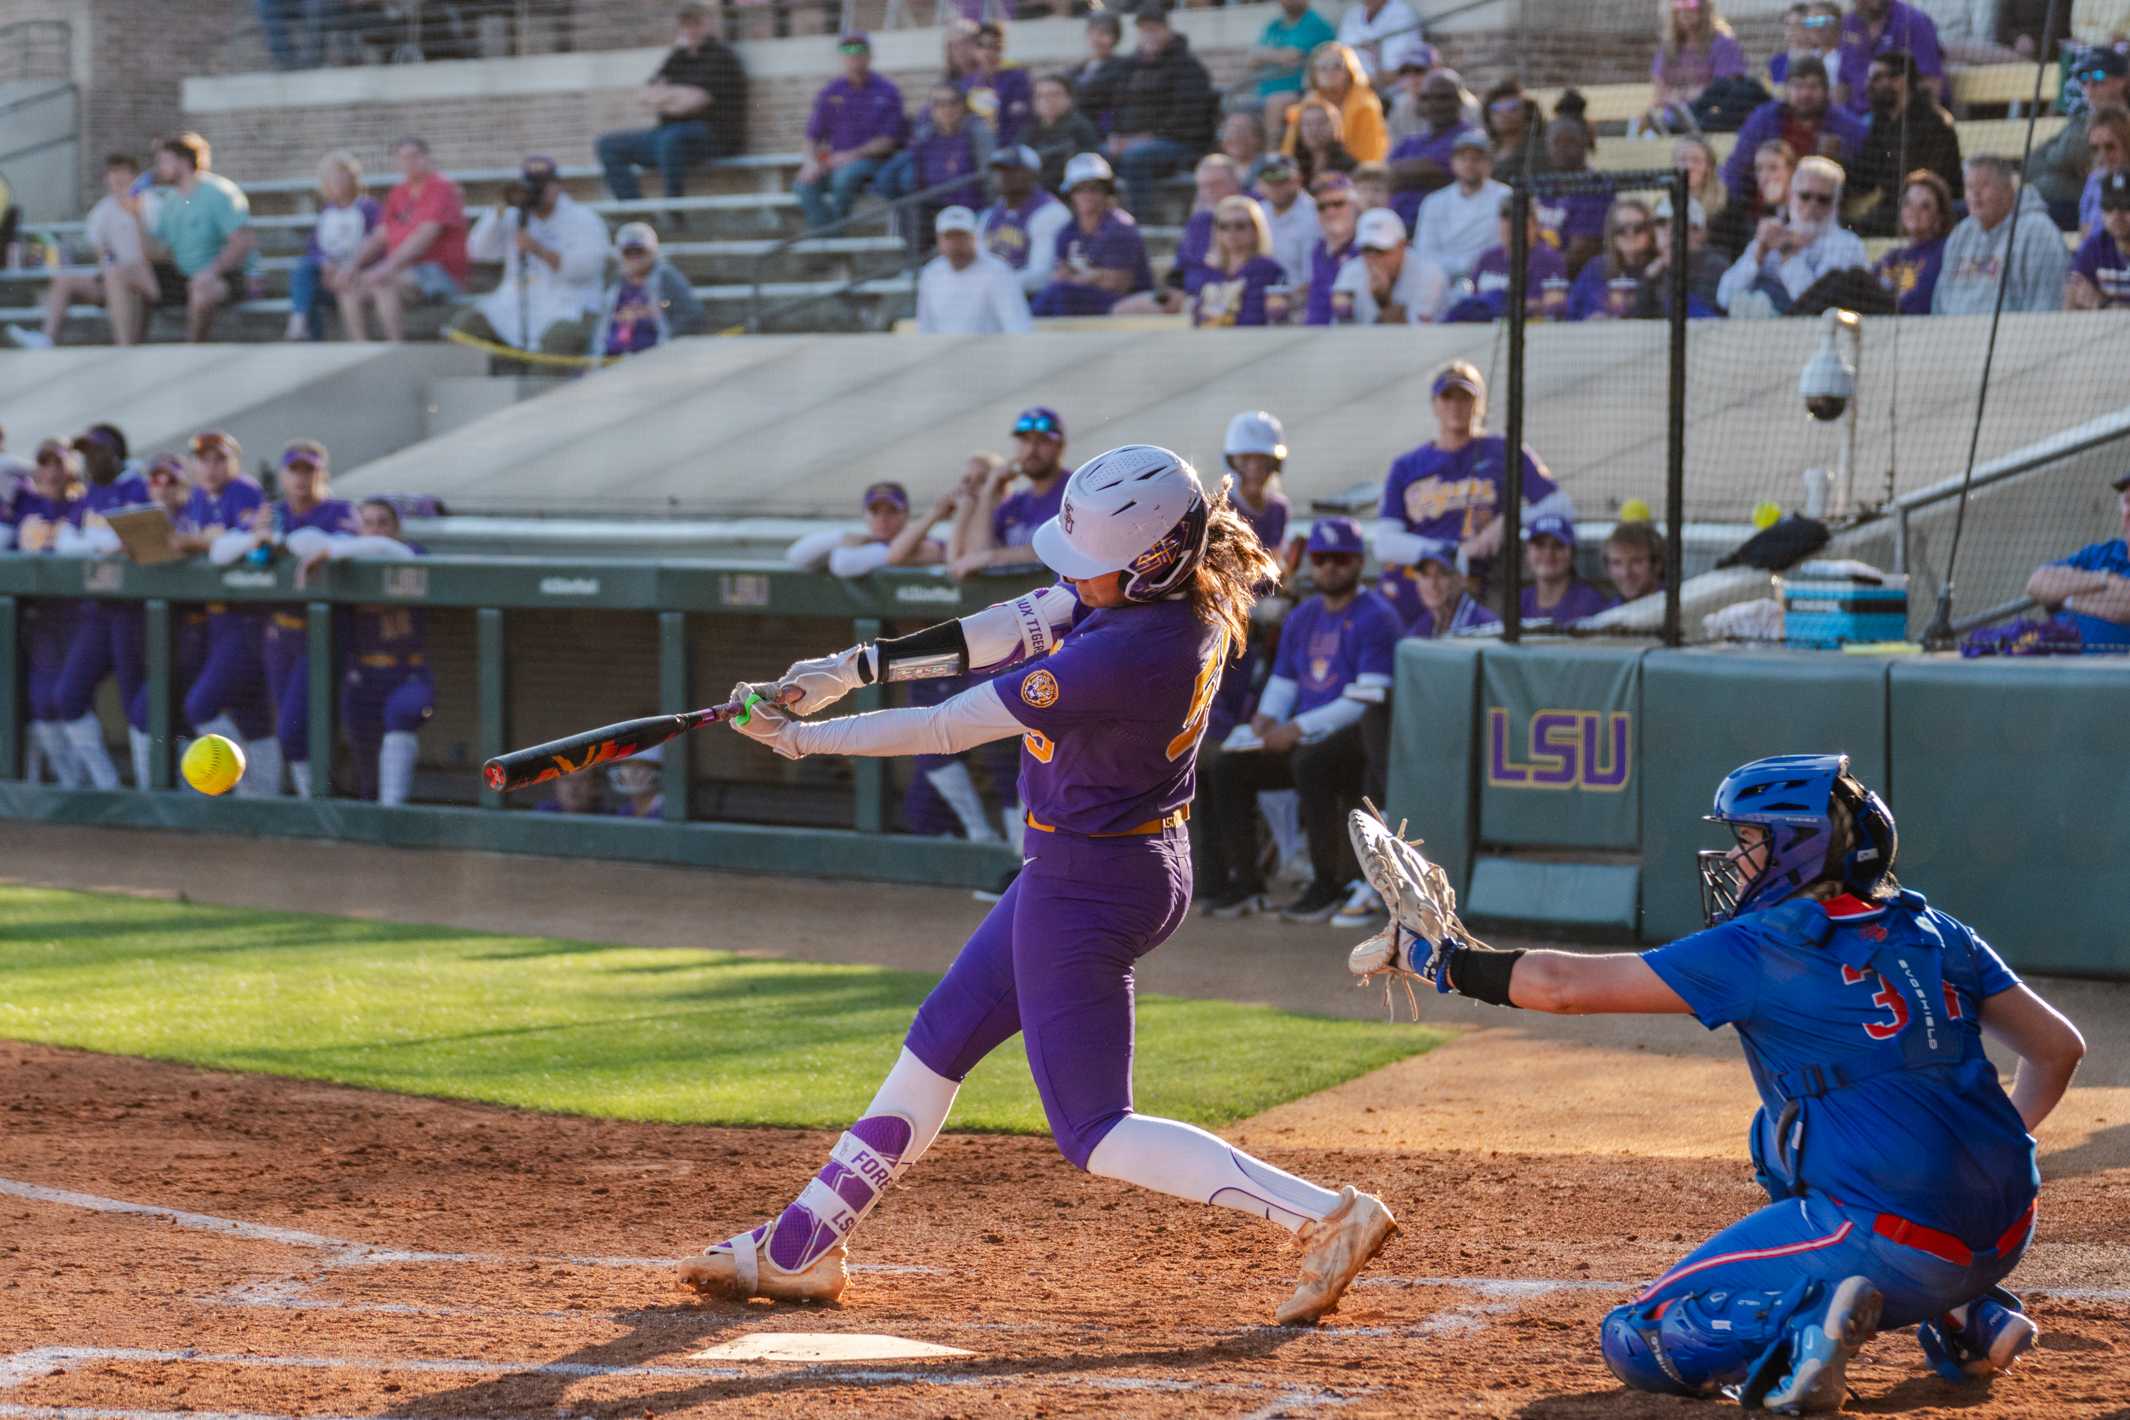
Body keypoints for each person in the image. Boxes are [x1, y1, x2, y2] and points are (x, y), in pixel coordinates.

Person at [687, 446, 1399, 1324]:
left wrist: (804, 740)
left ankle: (1327, 1214)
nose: (1074, 580)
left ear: (1150, 561)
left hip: (1091, 882)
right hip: (1104, 864)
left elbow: (948, 726)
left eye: (1092, 568)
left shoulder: (1129, 652)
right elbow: (1018, 617)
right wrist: (851, 666)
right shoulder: (1169, 591)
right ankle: (803, 1244)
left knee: (1096, 1131)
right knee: (940, 1037)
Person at [1346, 753, 2082, 1411]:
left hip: (1890, 1240)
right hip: (2010, 1222)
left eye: (1752, 842)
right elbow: (2059, 1050)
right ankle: (1972, 1313)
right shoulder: (1936, 928)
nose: (1739, 860)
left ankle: (1803, 1335)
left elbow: (1562, 986)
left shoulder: (1763, 945)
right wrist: (1979, 1158)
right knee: (1777, 1140)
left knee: (1635, 1339)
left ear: (1799, 847)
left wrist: (1435, 961)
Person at [1200, 516, 1398, 922]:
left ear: (1359, 563)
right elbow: (1284, 681)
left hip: (1358, 737)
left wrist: (1297, 728)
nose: (1329, 567)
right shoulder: (1303, 616)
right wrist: (1266, 719)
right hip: (1304, 733)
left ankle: (1327, 884)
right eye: (1321, 558)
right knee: (1227, 765)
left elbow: (1368, 699)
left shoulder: (1377, 616)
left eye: (1340, 558)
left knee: (1311, 763)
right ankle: (1244, 884)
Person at [210, 439, 361, 799]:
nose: (301, 479)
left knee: (297, 731)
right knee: (290, 728)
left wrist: (281, 538)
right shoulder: (271, 512)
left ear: (321, 474)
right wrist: (256, 537)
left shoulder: (339, 510)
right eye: (294, 470)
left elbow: (322, 545)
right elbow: (219, 553)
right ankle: (311, 801)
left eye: (309, 470)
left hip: (325, 633)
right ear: (283, 474)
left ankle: (318, 803)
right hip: (279, 633)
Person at [1372, 361, 1571, 622]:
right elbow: (1385, 543)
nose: (1456, 406)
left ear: (1480, 404)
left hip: (1480, 585)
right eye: (1447, 397)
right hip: (1420, 585)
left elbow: (1561, 505)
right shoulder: (1408, 465)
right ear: (1434, 405)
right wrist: (1452, 553)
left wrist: (1508, 521)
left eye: (1465, 397)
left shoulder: (1503, 451)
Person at [306, 497, 434, 806]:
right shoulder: (348, 563)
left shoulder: (412, 553)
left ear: (397, 528)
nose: (376, 530)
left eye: (383, 522)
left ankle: (393, 811)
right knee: (366, 767)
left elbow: (396, 554)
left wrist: (331, 551)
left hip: (408, 672)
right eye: (368, 522)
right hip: (363, 674)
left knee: (401, 713)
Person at [49, 426, 150, 789]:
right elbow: (65, 540)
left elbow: (131, 542)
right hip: (97, 611)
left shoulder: (137, 485)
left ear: (116, 453)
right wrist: (95, 542)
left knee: (134, 703)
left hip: (131, 612)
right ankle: (106, 785)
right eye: (86, 452)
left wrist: (94, 542)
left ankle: (150, 791)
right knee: (67, 696)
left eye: (98, 451)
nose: (90, 459)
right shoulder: (90, 492)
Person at [175, 431, 276, 797]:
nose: (212, 467)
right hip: (217, 619)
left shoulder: (246, 492)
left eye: (220, 459)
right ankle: (263, 798)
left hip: (248, 616)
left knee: (201, 704)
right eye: (204, 459)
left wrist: (201, 542)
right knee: (251, 715)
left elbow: (248, 550)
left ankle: (240, 784)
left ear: (234, 460)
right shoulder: (198, 497)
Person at [449, 156, 611, 366]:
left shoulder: (583, 218)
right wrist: (499, 209)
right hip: (514, 304)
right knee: (465, 327)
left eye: (543, 185)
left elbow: (586, 268)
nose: (538, 191)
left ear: (558, 187)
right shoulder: (513, 215)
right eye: (532, 185)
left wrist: (538, 249)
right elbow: (478, 251)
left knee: (555, 343)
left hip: (568, 306)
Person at [596, 3, 745, 205]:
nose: (690, 30)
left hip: (712, 137)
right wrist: (677, 97)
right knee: (608, 145)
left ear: (708, 25)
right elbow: (644, 95)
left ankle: (673, 210)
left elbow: (693, 104)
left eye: (696, 24)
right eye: (685, 25)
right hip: (667, 133)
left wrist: (665, 96)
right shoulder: (677, 57)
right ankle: (636, 211)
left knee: (671, 139)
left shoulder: (721, 57)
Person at [9, 154, 158, 349]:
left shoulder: (151, 204)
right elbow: (101, 253)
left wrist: (136, 215)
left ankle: (124, 346)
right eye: (113, 173)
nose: (117, 178)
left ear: (134, 175)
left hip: (146, 276)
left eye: (123, 172)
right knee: (65, 280)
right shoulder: (102, 211)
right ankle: (46, 338)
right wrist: (107, 265)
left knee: (115, 273)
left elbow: (153, 251)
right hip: (112, 278)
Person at [341, 136, 468, 343]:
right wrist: (351, 266)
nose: (409, 162)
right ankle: (360, 349)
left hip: (440, 273)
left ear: (427, 158)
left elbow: (423, 238)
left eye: (414, 156)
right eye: (403, 158)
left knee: (383, 281)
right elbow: (378, 236)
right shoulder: (398, 193)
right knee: (349, 285)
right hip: (404, 271)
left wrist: (386, 267)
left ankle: (396, 347)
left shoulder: (442, 188)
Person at [1717, 155, 1870, 317]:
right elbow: (1724, 297)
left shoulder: (1846, 244)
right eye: (1805, 196)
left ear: (1836, 204)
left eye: (1823, 199)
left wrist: (1788, 255)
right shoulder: (1773, 235)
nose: (1812, 205)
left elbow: (1816, 306)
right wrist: (1758, 253)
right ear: (1791, 196)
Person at [1106, 5, 1216, 217]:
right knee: (1098, 155)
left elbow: (1188, 117)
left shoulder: (1187, 66)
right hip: (1134, 142)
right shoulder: (1129, 67)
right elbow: (1115, 107)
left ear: (1168, 30)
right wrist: (1115, 135)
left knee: (1135, 157)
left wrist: (1144, 138)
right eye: (1143, 29)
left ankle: (1143, 222)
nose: (1149, 35)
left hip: (1179, 143)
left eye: (1154, 29)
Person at [144, 133, 255, 344]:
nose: (159, 167)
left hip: (223, 276)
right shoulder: (171, 200)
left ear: (184, 161)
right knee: (129, 278)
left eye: (165, 161)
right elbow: (163, 250)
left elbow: (241, 241)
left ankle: (192, 351)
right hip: (182, 277)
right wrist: (134, 214)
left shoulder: (219, 192)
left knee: (202, 288)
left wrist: (211, 271)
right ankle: (130, 349)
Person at [794, 33, 908, 233]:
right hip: (836, 161)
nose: (853, 54)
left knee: (844, 177)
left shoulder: (887, 91)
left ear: (870, 55)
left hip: (872, 162)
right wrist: (810, 162)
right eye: (847, 50)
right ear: (841, 56)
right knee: (803, 184)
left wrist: (851, 156)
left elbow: (888, 141)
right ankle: (832, 240)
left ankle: (832, 242)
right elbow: (812, 136)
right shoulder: (831, 91)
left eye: (859, 49)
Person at [1722, 57, 1867, 211]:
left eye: (1813, 86)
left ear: (1825, 91)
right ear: (1786, 90)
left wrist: (1840, 156)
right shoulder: (1764, 118)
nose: (1805, 94)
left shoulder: (1845, 125)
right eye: (1798, 86)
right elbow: (1736, 169)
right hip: (1767, 210)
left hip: (1821, 210)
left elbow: (1865, 173)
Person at [1844, 50, 1962, 238]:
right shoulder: (1882, 121)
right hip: (1893, 208)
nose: (1868, 86)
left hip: (1926, 210)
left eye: (1876, 78)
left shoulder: (1933, 121)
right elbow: (1864, 175)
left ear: (1900, 80)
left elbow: (1928, 185)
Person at [1932, 155, 2068, 314]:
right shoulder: (1961, 234)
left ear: (2008, 189)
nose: (1975, 194)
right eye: (1970, 187)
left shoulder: (2038, 232)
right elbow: (1940, 302)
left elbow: (2046, 303)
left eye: (1984, 185)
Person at [950, 406, 1071, 578]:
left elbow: (1064, 549)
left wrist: (992, 557)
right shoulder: (1016, 503)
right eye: (1025, 441)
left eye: (1042, 440)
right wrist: (988, 491)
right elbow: (976, 554)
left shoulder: (1075, 492)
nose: (1032, 449)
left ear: (1060, 446)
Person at [1030, 154, 1153, 318]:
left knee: (1062, 294)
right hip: (1080, 300)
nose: (1087, 194)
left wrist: (1080, 277)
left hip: (1124, 303)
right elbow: (1060, 275)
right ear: (1070, 193)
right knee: (1051, 296)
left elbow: (1118, 284)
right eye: (1079, 188)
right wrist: (1097, 275)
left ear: (1106, 192)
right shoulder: (1068, 230)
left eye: (1094, 188)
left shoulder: (1121, 227)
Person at [2021, 468, 2130, 645]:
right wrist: (2105, 580)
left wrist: (2065, 599)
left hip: (2111, 670)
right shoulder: (2101, 552)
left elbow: (2126, 604)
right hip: (2054, 662)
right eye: (2128, 502)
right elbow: (2037, 582)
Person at [2029, 48, 2130, 231]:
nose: (2090, 86)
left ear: (2121, 80)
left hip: (2114, 206)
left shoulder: (2124, 121)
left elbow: (2068, 154)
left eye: (2099, 76)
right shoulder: (2081, 119)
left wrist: (2054, 160)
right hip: (2078, 201)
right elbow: (2032, 161)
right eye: (2084, 79)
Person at [287, 150, 380, 341]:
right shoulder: (327, 211)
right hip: (330, 275)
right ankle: (303, 329)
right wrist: (324, 263)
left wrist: (349, 269)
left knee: (317, 286)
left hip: (356, 274)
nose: (335, 181)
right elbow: (314, 248)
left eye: (340, 175)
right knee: (305, 273)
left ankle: (300, 323)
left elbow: (377, 245)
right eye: (330, 177)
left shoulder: (369, 208)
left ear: (352, 177)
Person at [787, 480, 950, 578]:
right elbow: (796, 556)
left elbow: (843, 564)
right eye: (875, 512)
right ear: (865, 515)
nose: (882, 519)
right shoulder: (867, 543)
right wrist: (842, 537)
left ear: (906, 514)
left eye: (891, 511)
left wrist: (845, 541)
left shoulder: (924, 544)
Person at [1444, 195, 1570, 322]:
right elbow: (1472, 298)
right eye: (1505, 217)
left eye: (1518, 217)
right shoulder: (1488, 258)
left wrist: (1502, 306)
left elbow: (1553, 305)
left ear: (1534, 224)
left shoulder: (1549, 259)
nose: (1511, 223)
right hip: (1479, 327)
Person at [591, 221, 706, 358]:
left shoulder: (666, 277)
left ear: (652, 252)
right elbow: (601, 327)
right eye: (628, 252)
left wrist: (667, 341)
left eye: (639, 251)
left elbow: (692, 315)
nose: (634, 258)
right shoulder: (615, 283)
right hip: (613, 357)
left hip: (654, 358)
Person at [887, 85, 987, 244]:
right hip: (936, 209)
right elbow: (918, 182)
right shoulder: (925, 139)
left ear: (963, 106)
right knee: (911, 209)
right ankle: (916, 266)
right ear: (931, 109)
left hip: (970, 210)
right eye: (939, 104)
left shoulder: (976, 134)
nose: (947, 109)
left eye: (952, 103)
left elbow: (988, 178)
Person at [1412, 131, 1509, 288]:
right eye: (1463, 158)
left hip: (1492, 278)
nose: (1469, 164)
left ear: (1490, 164)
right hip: (1440, 282)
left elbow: (1504, 247)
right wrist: (1459, 266)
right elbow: (1424, 253)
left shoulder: (1505, 197)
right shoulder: (1434, 202)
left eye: (1476, 159)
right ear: (1453, 162)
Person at [1385, 68, 1479, 229]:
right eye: (1426, 97)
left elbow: (1433, 171)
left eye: (1443, 97)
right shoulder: (1409, 143)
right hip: (1396, 229)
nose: (1434, 104)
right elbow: (1384, 175)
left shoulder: (1470, 139)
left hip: (1445, 227)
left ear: (1459, 100)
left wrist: (1401, 173)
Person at [916, 206, 1034, 334]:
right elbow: (926, 329)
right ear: (939, 240)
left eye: (961, 236)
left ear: (974, 237)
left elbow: (1017, 326)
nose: (956, 243)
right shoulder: (930, 274)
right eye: (950, 237)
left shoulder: (998, 271)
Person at [1646, 0, 1749, 135]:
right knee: (1653, 128)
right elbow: (1660, 94)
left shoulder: (1724, 45)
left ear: (1704, 9)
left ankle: (1684, 122)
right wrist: (1689, 94)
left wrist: (1682, 95)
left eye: (1691, 5)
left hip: (1712, 118)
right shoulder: (1668, 48)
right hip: (1672, 115)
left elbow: (1722, 89)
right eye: (1679, 5)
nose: (1684, 11)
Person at [979, 145, 1070, 297]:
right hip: (995, 297)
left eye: (1011, 170)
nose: (1002, 175)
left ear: (1031, 173)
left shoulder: (1051, 212)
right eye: (998, 170)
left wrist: (992, 286)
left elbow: (1042, 276)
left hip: (1033, 299)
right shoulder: (989, 216)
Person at [1330, 206, 1443, 323]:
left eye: (1381, 250)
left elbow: (1415, 337)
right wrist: (1344, 314)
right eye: (1367, 250)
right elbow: (1341, 333)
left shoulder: (1428, 274)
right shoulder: (1351, 271)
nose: (1373, 258)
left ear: (1402, 246)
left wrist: (1383, 302)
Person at [1532, 116, 1614, 278]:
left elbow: (1581, 252)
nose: (1562, 149)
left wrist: (1537, 273)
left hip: (1580, 278)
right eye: (1556, 142)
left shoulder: (1597, 186)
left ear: (1584, 144)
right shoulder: (1542, 185)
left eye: (1570, 142)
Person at [1283, 44, 1389, 167]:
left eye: (1337, 67)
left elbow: (1369, 159)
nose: (1330, 72)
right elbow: (1289, 153)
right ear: (1314, 73)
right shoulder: (1307, 105)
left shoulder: (1366, 104)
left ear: (1350, 70)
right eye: (1322, 68)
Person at [1190, 195, 1288, 328]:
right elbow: (1196, 318)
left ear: (1255, 229)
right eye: (1224, 226)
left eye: (1240, 226)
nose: (1231, 232)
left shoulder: (1266, 269)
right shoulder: (1211, 270)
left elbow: (1253, 320)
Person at [1250, 0, 1339, 143]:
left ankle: (1271, 153)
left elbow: (1291, 56)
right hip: (1265, 92)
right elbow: (1251, 61)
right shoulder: (1274, 25)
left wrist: (1264, 54)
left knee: (1276, 102)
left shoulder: (1315, 23)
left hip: (1302, 89)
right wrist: (1278, 56)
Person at [1836, 0, 1944, 114]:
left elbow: (1931, 84)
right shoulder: (1850, 23)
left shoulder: (1914, 21)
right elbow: (1843, 82)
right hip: (1854, 114)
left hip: (1896, 116)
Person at [1873, 170, 1955, 313]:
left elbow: (1921, 301)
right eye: (1908, 203)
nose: (1914, 211)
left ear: (1940, 215)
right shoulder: (1893, 256)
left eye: (1925, 206)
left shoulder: (1945, 251)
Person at [1568, 197, 1663, 320]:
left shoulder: (1660, 269)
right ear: (1612, 233)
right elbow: (1571, 313)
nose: (1630, 234)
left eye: (1638, 228)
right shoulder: (1595, 269)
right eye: (1621, 229)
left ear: (1650, 231)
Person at [1519, 515, 1616, 623]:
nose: (1548, 553)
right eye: (1540, 545)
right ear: (1527, 553)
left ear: (1573, 553)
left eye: (1558, 545)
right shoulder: (1520, 601)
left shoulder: (1591, 603)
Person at [1713, 137, 1797, 262]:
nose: (1765, 176)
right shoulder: (1744, 207)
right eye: (1759, 169)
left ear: (1790, 170)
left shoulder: (1804, 207)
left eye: (1773, 168)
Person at [1398, 537, 1500, 638]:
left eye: (1442, 574)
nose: (1432, 584)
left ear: (1462, 580)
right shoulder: (1422, 628)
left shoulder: (1486, 627)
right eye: (1425, 575)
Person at [1024, 74, 1103, 194]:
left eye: (1054, 94)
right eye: (1040, 96)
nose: (1047, 100)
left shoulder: (1081, 128)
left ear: (1069, 98)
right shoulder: (1028, 132)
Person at [960, 21, 1033, 151]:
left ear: (1001, 48)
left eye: (993, 46)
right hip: (976, 148)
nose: (987, 51)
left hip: (1008, 148)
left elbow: (1019, 121)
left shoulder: (1017, 77)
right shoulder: (969, 81)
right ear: (973, 49)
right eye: (981, 45)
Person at [1301, 172, 1361, 323]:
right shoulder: (1318, 250)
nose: (1330, 212)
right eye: (1322, 207)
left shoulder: (1367, 247)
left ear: (1355, 206)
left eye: (1338, 204)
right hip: (1315, 337)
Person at [2067, 170, 2130, 308]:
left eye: (2125, 206)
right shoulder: (2094, 247)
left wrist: (2104, 304)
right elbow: (2071, 302)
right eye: (2108, 206)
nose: (2116, 214)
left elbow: (2100, 304)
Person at [1256, 153, 1318, 292]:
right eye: (1269, 180)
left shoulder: (1315, 214)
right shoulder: (1258, 211)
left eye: (1282, 180)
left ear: (1298, 179)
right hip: (1261, 297)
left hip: (1299, 303)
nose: (1275, 186)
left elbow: (1312, 280)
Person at [1335, 0, 1427, 83]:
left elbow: (1392, 75)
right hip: (1349, 84)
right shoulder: (1353, 13)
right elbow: (1339, 54)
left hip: (1388, 92)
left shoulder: (1403, 15)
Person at [1068, 12, 1128, 137]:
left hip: (1101, 129)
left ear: (1115, 37)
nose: (1096, 38)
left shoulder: (1121, 65)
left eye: (1104, 33)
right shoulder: (1079, 68)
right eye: (1093, 32)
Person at [1674, 135, 1733, 257]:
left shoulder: (1727, 207)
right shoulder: (1664, 205)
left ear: (1709, 167)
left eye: (1696, 160)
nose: (1688, 166)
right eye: (1682, 160)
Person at [2077, 107, 2130, 240]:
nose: (2101, 156)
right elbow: (2085, 232)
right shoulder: (2093, 181)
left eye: (2110, 147)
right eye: (2095, 149)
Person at [1483, 80, 1549, 184]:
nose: (1504, 114)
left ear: (1527, 112)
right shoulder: (1483, 153)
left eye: (1512, 107)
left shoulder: (1542, 150)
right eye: (1496, 108)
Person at [1769, 1, 1846, 89]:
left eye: (1823, 21)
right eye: (1810, 22)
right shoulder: (1809, 58)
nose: (1817, 27)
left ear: (1837, 24)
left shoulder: (1847, 57)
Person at [1290, 98, 1360, 191]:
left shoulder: (1349, 165)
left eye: (1321, 123)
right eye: (1307, 124)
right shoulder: (1292, 165)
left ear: (1335, 127)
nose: (1314, 129)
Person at [1604, 519, 1668, 602]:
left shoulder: (1678, 605)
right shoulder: (1608, 612)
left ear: (1657, 564)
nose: (1626, 573)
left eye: (1636, 561)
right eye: (1617, 563)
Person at [609, 746, 665, 819]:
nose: (633, 772)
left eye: (642, 765)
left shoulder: (667, 811)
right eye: (627, 764)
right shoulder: (625, 811)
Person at [1220, 113, 1272, 189]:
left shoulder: (1272, 165)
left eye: (1242, 131)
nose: (1235, 137)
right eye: (1229, 132)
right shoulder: (1215, 170)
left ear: (1258, 138)